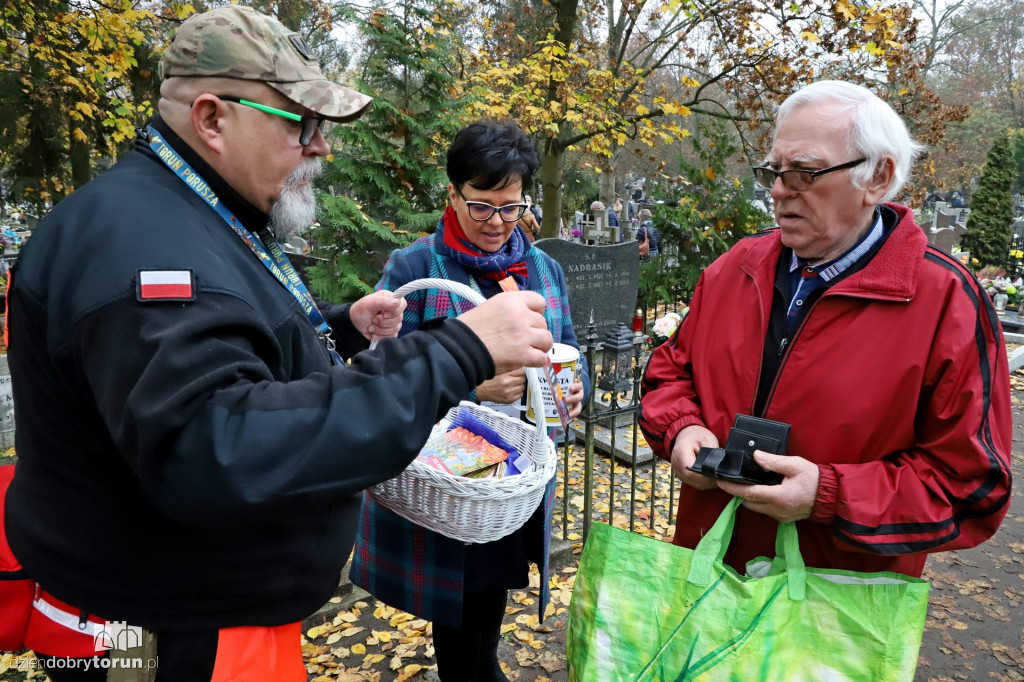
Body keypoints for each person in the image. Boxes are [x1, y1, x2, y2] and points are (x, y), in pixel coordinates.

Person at [3, 7, 554, 680]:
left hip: (206, 610)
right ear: (211, 119)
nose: (320, 146)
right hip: (175, 633)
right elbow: (219, 447)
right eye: (302, 122)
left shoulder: (190, 210)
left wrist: (343, 325)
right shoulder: (149, 251)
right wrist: (456, 352)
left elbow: (233, 349)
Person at [639, 80, 1012, 581]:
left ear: (877, 178)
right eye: (774, 171)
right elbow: (669, 375)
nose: (777, 191)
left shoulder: (946, 302)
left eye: (804, 173)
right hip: (707, 579)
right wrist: (682, 428)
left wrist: (827, 496)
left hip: (835, 610)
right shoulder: (734, 270)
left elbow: (969, 483)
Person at [351, 120, 589, 682]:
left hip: (514, 479)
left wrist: (573, 390)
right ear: (453, 193)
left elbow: (569, 347)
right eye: (482, 207)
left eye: (511, 208)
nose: (498, 224)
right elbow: (384, 372)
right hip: (451, 482)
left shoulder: (541, 268)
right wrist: (471, 388)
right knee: (462, 615)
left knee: (492, 596)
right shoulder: (415, 269)